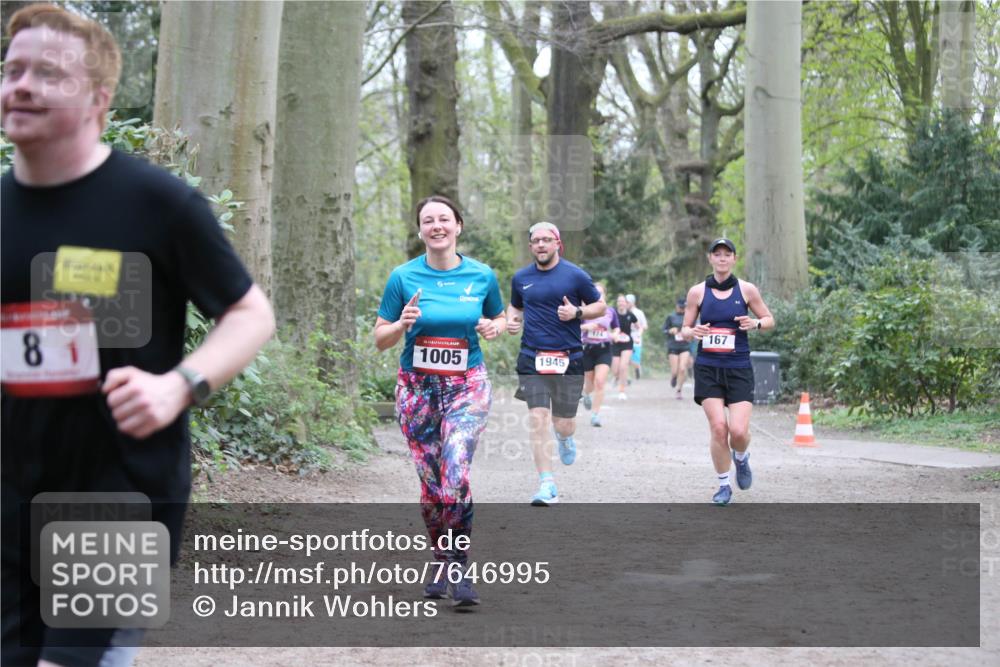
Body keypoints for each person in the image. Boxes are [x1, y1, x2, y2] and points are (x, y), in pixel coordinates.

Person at [1, 5, 275, 665]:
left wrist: (178, 386)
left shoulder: (158, 203)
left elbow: (250, 313)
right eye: (12, 70)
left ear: (99, 99)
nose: (22, 85)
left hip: (118, 485)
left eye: (48, 73)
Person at [374, 195, 505, 607]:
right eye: (428, 220)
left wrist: (493, 326)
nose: (437, 226)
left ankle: (460, 563)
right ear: (420, 231)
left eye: (444, 219)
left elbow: (499, 317)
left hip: (467, 384)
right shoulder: (403, 277)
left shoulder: (482, 275)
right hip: (416, 388)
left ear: (458, 226)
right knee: (432, 486)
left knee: (455, 470)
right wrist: (400, 324)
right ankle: (440, 557)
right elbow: (380, 338)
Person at [506, 222, 604, 506]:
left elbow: (600, 306)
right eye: (535, 241)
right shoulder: (521, 277)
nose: (540, 245)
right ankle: (546, 483)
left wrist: (577, 312)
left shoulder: (575, 275)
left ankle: (564, 439)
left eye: (546, 240)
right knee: (538, 418)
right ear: (530, 246)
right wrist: (513, 319)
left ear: (557, 243)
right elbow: (516, 305)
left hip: (569, 358)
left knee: (563, 424)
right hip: (531, 357)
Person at [681, 238, 774, 506]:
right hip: (708, 368)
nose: (722, 259)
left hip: (738, 368)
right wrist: (692, 332)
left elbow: (769, 320)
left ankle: (742, 459)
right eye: (717, 254)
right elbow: (685, 329)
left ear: (734, 259)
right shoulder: (697, 292)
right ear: (710, 259)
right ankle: (723, 485)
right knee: (719, 428)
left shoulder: (747, 290)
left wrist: (755, 323)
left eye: (727, 254)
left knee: (739, 431)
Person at [580, 282, 618, 427]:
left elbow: (616, 328)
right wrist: (585, 326)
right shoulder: (585, 311)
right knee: (589, 383)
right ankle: (586, 394)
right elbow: (576, 327)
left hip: (604, 349)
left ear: (605, 295)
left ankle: (595, 415)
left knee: (600, 382)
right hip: (588, 349)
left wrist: (614, 334)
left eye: (600, 293)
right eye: (595, 293)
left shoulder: (610, 311)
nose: (598, 295)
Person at [610, 294, 638, 400]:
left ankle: (622, 390)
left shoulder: (630, 315)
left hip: (627, 343)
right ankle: (616, 377)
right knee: (615, 369)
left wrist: (637, 335)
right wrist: (612, 335)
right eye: (619, 301)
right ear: (617, 303)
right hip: (615, 343)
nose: (621, 303)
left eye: (623, 301)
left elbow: (638, 326)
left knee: (623, 366)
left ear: (626, 304)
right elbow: (606, 325)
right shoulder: (613, 314)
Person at [663, 297, 691, 400]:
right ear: (677, 306)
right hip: (673, 346)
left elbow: (694, 328)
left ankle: (679, 390)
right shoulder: (671, 317)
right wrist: (670, 330)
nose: (682, 309)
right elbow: (664, 330)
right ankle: (674, 377)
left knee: (682, 368)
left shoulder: (689, 317)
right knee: (675, 371)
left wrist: (690, 334)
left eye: (684, 307)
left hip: (685, 346)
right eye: (681, 307)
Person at [625, 294, 647, 381]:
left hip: (636, 337)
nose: (626, 304)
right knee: (625, 358)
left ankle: (637, 368)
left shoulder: (639, 312)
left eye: (628, 302)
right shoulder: (623, 312)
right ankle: (627, 377)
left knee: (635, 360)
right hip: (626, 337)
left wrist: (639, 333)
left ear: (632, 302)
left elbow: (645, 326)